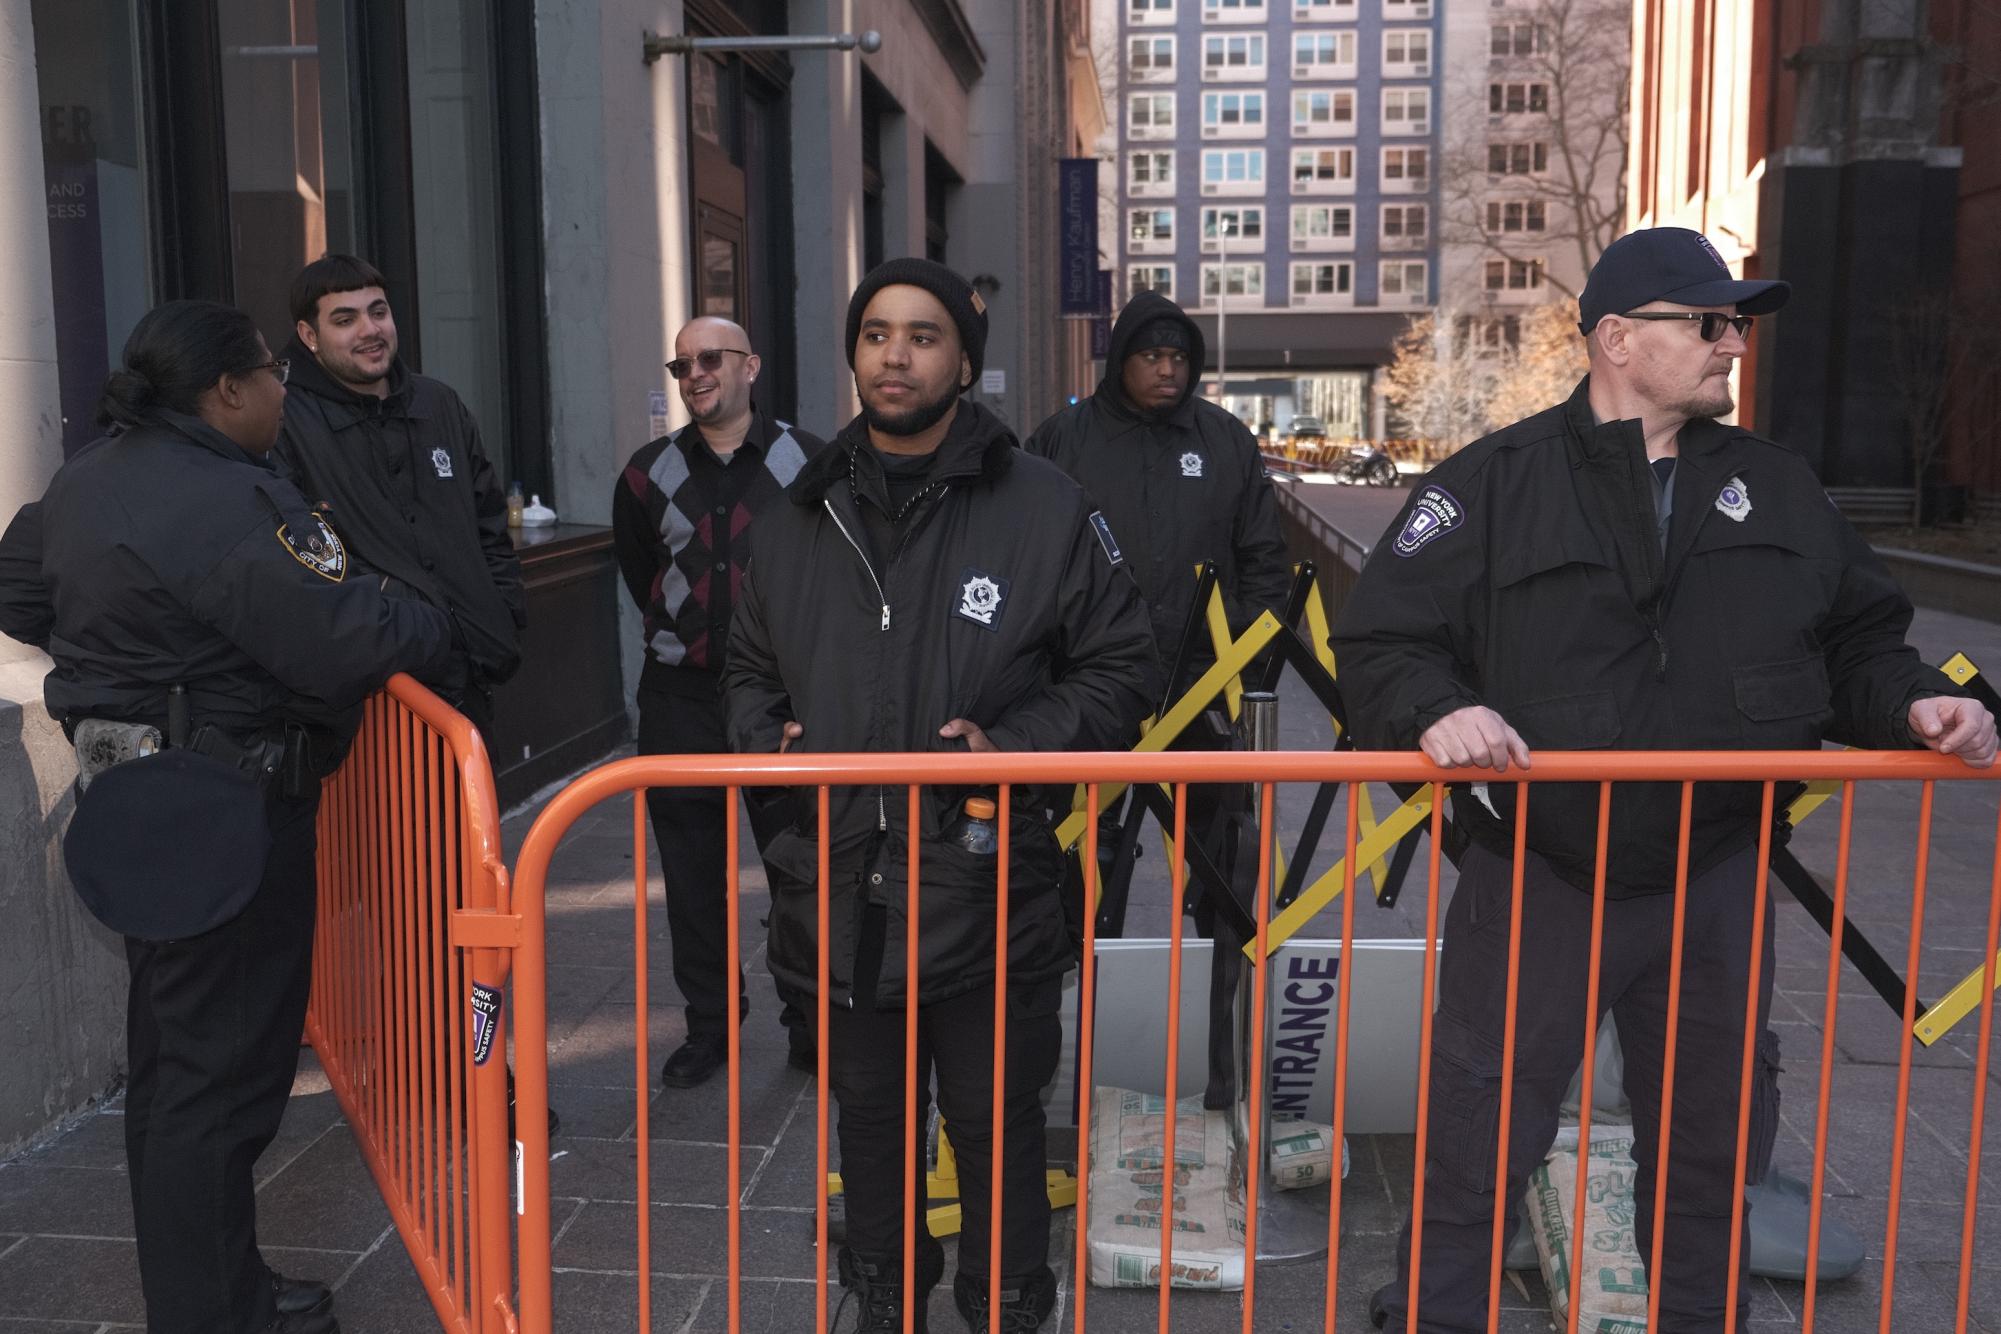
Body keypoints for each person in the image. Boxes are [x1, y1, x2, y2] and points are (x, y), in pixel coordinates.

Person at [1332, 227, 1998, 1333]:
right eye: (1710, 322)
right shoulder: (1494, 483)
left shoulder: (1778, 487)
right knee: (1480, 1127)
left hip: (1716, 872)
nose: (1735, 344)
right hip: (1542, 868)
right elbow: (1385, 642)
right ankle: (1433, 1315)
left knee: (1708, 1145)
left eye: (1738, 323)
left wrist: (1918, 698)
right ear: (1617, 339)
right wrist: (1438, 708)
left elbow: (1861, 643)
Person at [0, 300, 455, 1334]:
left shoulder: (89, 476)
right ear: (227, 391)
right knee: (222, 1082)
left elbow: (20, 588)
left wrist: (145, 658)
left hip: (133, 801)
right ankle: (216, 1310)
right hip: (223, 814)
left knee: (172, 1072)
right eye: (273, 378)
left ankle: (209, 1293)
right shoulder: (230, 498)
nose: (284, 395)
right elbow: (346, 635)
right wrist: (423, 620)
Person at [723, 258, 1157, 1331]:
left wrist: (1010, 744)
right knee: (868, 1118)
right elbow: (742, 668)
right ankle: (881, 1293)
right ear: (854, 352)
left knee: (992, 1121)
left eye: (923, 335)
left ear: (963, 358)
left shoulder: (1043, 506)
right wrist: (765, 743)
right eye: (876, 333)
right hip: (839, 886)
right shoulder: (796, 513)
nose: (896, 354)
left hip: (984, 883)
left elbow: (1122, 667)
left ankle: (1005, 1299)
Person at [611, 316, 826, 1088]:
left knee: (799, 867)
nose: (695, 374)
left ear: (751, 364)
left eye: (711, 359)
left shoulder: (814, 463)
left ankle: (810, 1021)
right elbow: (643, 574)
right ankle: (710, 1028)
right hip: (681, 697)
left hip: (782, 696)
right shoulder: (645, 473)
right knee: (692, 874)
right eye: (681, 365)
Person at [271, 253, 525, 738]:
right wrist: (396, 623)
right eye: (345, 320)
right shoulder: (285, 419)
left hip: (470, 673)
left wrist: (503, 611)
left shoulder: (439, 403)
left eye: (378, 311)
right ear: (309, 336)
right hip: (372, 694)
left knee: (472, 814)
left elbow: (489, 523)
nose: (370, 329)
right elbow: (301, 557)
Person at [1023, 289, 1290, 691]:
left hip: (1211, 674)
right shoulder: (1060, 441)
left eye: (1179, 358)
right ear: (1121, 362)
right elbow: (1028, 557)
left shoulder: (1226, 439)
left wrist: (1250, 645)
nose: (1168, 370)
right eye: (1152, 357)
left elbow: (1263, 552)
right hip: (1090, 676)